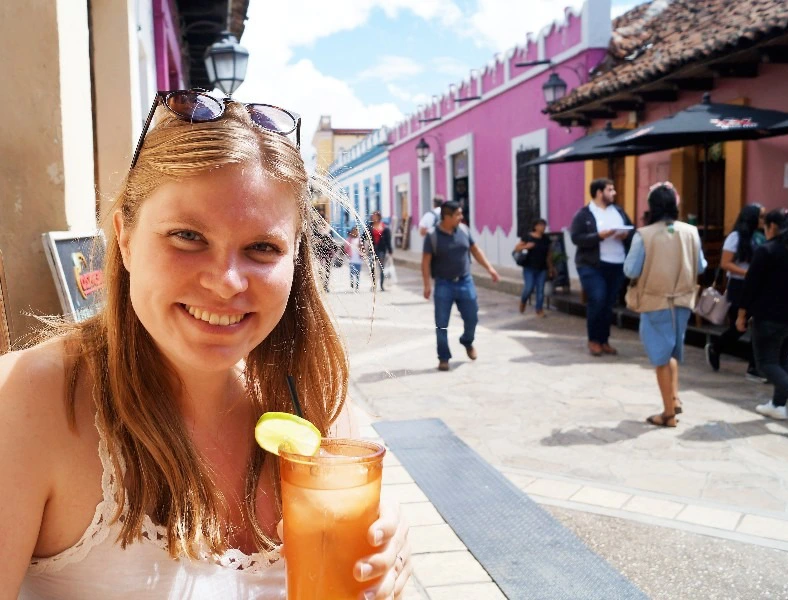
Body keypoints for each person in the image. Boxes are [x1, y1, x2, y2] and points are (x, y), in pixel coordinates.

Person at [1, 90, 411, 598]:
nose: (226, 282)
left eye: (262, 247)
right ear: (124, 237)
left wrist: (386, 554)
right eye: (187, 237)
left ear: (296, 260)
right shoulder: (25, 402)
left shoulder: (318, 401)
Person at [623, 183, 706, 427]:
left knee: (660, 357)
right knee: (671, 351)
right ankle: (675, 397)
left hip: (654, 300)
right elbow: (700, 266)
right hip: (682, 300)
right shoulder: (691, 232)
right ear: (675, 204)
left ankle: (668, 414)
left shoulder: (643, 235)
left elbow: (630, 269)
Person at [736, 210, 788, 427]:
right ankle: (777, 406)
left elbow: (750, 285)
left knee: (766, 363)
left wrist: (742, 314)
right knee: (783, 361)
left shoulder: (767, 251)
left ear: (772, 227)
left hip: (770, 318)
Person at [421, 201, 500, 371]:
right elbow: (425, 261)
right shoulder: (432, 235)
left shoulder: (464, 230)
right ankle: (443, 357)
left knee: (472, 318)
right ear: (446, 217)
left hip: (465, 282)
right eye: (457, 214)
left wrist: (490, 269)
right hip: (443, 285)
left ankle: (467, 341)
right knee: (441, 323)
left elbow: (476, 251)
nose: (461, 217)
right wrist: (427, 284)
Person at [570, 178, 634, 356]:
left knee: (608, 303)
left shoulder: (618, 211)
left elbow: (633, 231)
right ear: (599, 192)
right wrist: (599, 236)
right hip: (592, 265)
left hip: (616, 264)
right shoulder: (584, 214)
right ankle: (594, 340)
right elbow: (576, 238)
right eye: (610, 190)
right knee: (597, 298)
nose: (614, 193)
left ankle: (604, 340)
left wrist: (625, 235)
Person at [704, 204, 766, 381]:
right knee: (740, 326)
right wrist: (748, 273)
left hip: (758, 285)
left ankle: (754, 368)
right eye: (761, 217)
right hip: (739, 285)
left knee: (758, 324)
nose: (764, 220)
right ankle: (716, 346)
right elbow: (725, 263)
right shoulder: (736, 237)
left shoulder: (762, 237)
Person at [513, 218, 555, 316]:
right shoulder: (528, 237)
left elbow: (549, 255)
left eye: (544, 225)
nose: (543, 227)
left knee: (540, 290)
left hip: (542, 268)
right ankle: (523, 301)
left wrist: (551, 268)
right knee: (529, 287)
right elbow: (517, 248)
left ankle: (539, 310)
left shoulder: (546, 239)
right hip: (529, 267)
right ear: (535, 227)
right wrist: (526, 247)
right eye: (541, 225)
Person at [367, 211, 393, 291]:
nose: (373, 217)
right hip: (372, 250)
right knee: (372, 268)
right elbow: (363, 236)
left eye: (375, 216)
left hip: (382, 250)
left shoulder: (384, 227)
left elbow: (388, 240)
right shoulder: (369, 227)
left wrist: (390, 250)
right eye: (373, 216)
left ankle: (382, 285)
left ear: (379, 217)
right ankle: (374, 285)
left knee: (381, 268)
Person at [345, 226, 364, 291]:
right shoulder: (349, 239)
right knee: (352, 272)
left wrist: (362, 251)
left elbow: (363, 248)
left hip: (358, 258)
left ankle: (357, 285)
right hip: (352, 258)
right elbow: (346, 247)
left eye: (356, 231)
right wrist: (347, 253)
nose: (355, 232)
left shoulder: (360, 239)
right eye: (354, 231)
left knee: (358, 273)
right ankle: (352, 283)